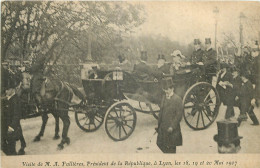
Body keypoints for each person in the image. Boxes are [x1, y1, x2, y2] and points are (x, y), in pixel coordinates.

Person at [1, 72, 27, 155]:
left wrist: (11, 127)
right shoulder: (6, 99)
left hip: (10, 128)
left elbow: (16, 116)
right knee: (4, 146)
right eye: (5, 90)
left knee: (11, 150)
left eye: (7, 90)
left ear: (12, 89)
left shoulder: (15, 100)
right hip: (5, 127)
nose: (6, 91)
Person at [156, 77, 183, 153]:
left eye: (167, 89)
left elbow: (179, 115)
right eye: (164, 89)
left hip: (172, 128)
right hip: (163, 126)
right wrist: (159, 125)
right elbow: (161, 111)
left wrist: (172, 126)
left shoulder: (177, 99)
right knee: (160, 143)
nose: (166, 91)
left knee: (172, 146)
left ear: (172, 88)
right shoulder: (164, 97)